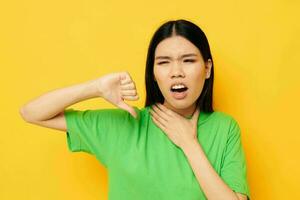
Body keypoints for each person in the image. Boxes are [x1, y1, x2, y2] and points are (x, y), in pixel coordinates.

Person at [20, 19, 251, 200]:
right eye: (163, 62)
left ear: (207, 68)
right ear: (153, 72)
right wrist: (95, 88)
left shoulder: (224, 128)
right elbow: (31, 113)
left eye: (188, 60)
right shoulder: (127, 124)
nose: (176, 71)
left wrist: (189, 143)